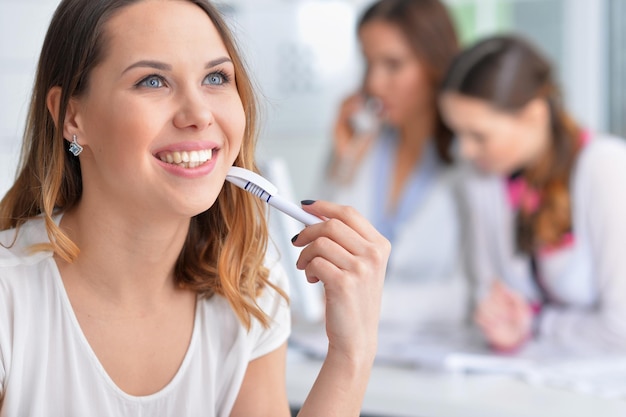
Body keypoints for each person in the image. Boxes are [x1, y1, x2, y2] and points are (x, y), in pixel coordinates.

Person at [0, 0, 390, 415]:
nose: (199, 114)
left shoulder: (248, 293)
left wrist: (352, 354)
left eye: (216, 77)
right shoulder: (9, 300)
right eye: (152, 81)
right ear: (71, 115)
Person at [439, 34, 626, 353]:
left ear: (535, 116)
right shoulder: (481, 180)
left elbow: (620, 327)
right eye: (457, 133)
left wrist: (535, 325)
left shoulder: (606, 167)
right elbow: (488, 297)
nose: (465, 150)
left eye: (479, 136)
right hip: (531, 381)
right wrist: (497, 322)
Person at [320, 0, 467, 327]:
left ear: (435, 65)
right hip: (349, 341)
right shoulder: (364, 142)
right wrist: (345, 162)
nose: (374, 83)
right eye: (369, 64)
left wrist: (359, 300)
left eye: (393, 65)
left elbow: (468, 295)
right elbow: (317, 242)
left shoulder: (470, 157)